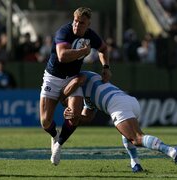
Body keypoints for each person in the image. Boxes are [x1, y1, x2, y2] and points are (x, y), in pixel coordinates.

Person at [56, 71, 177, 174]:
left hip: (117, 104)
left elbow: (79, 80)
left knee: (136, 138)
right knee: (128, 136)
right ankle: (135, 164)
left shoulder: (81, 76)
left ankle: (173, 152)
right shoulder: (86, 97)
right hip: (129, 101)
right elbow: (88, 117)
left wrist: (61, 97)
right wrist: (77, 116)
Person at [39, 7, 112, 166]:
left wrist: (105, 67)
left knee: (74, 115)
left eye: (81, 23)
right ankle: (54, 135)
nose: (77, 25)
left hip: (71, 78)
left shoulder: (90, 35)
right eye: (75, 21)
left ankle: (59, 144)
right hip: (53, 77)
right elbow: (62, 56)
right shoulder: (64, 32)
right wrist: (82, 52)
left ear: (88, 24)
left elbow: (104, 48)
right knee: (45, 121)